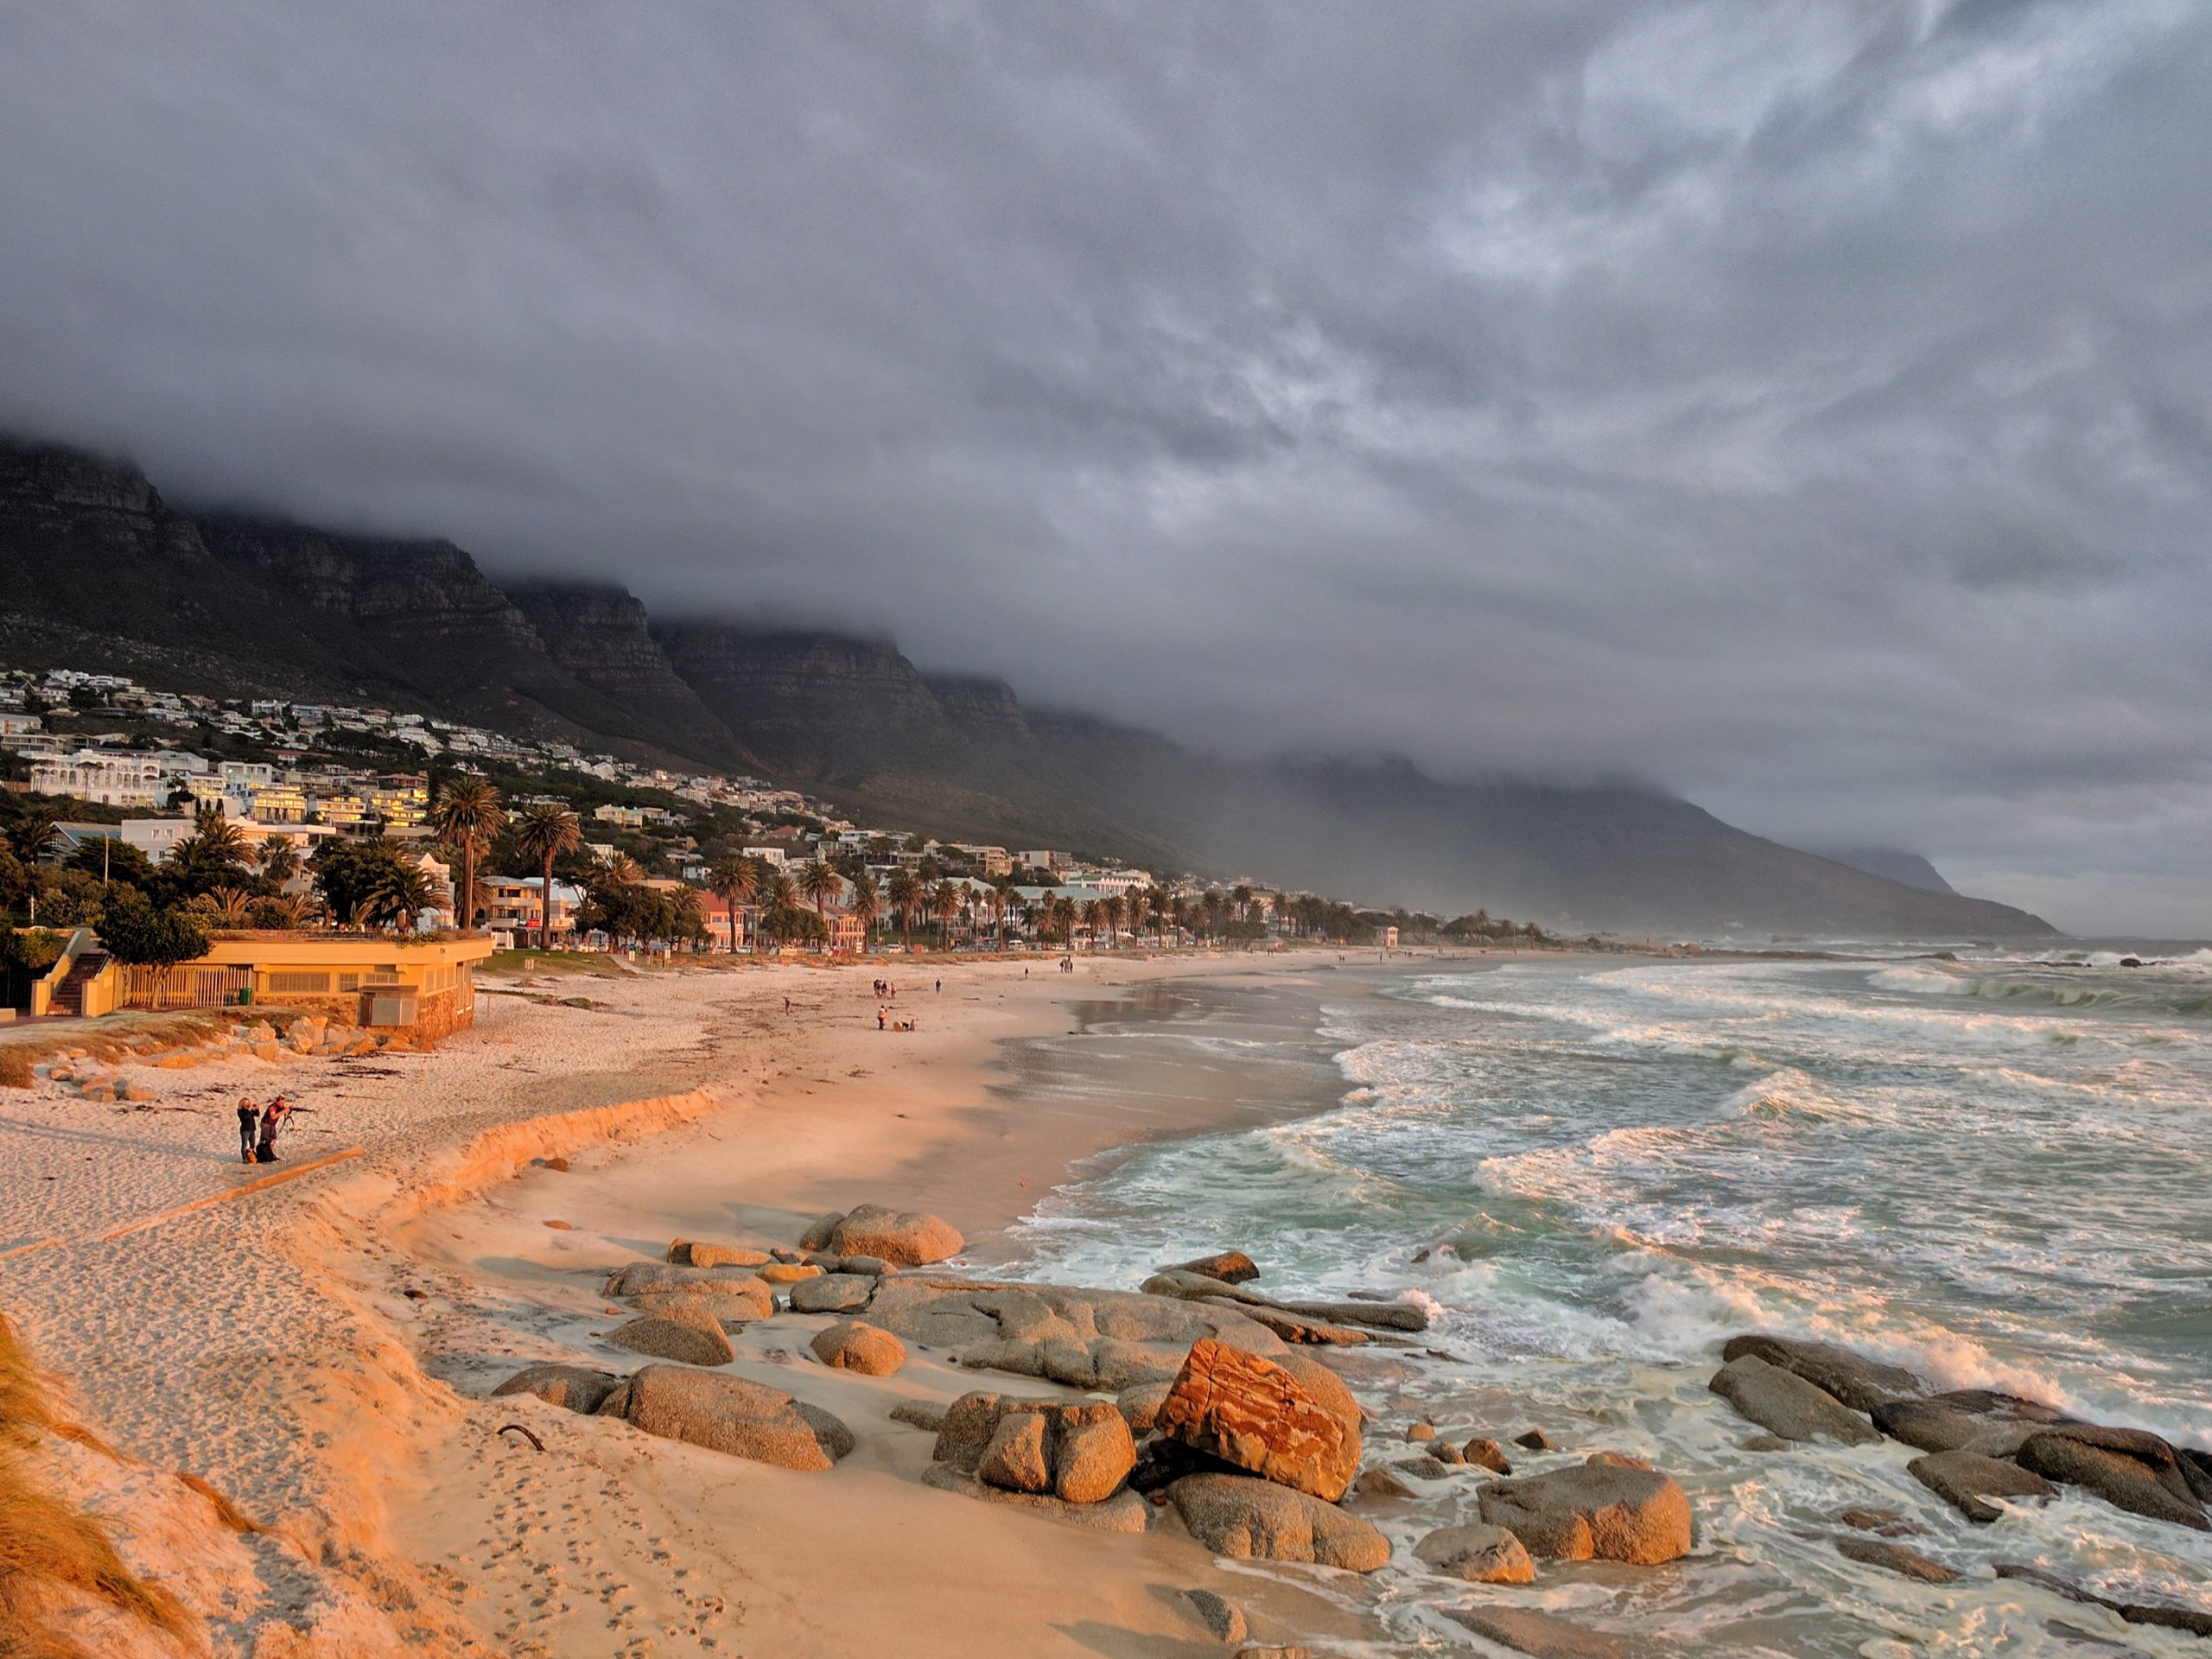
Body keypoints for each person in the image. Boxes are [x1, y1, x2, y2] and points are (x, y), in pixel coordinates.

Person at [255, 1095, 290, 1164]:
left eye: (283, 1102)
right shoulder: (272, 1107)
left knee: (273, 1139)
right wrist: (283, 1111)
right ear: (277, 1102)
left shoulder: (281, 1106)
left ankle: (269, 1155)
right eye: (281, 1102)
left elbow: (284, 1109)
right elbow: (273, 1117)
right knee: (265, 1140)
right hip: (266, 1124)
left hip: (272, 1125)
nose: (283, 1104)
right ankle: (264, 1155)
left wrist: (287, 1110)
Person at [235, 1098, 260, 1165]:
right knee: (244, 1145)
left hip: (252, 1129)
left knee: (253, 1144)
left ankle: (251, 1156)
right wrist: (249, 1110)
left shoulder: (249, 1110)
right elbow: (245, 1117)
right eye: (246, 1103)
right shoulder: (240, 1111)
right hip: (245, 1130)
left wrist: (257, 1109)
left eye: (248, 1103)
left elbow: (257, 1114)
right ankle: (245, 1159)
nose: (248, 1105)